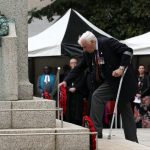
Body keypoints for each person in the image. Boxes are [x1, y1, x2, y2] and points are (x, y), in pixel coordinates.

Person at [59, 31, 138, 142]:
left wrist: (121, 68)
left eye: (85, 47)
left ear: (92, 42)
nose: (84, 50)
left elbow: (128, 51)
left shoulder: (107, 42)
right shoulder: (88, 52)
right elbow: (79, 68)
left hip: (121, 79)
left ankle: (132, 140)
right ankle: (96, 132)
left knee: (124, 107)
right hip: (109, 81)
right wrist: (66, 81)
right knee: (97, 96)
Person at [64, 58, 86, 125]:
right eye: (72, 63)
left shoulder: (81, 72)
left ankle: (78, 122)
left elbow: (83, 82)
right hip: (69, 94)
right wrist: (69, 88)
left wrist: (76, 88)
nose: (73, 64)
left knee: (78, 110)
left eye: (75, 63)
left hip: (78, 93)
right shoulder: (67, 73)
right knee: (69, 110)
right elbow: (64, 83)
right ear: (70, 64)